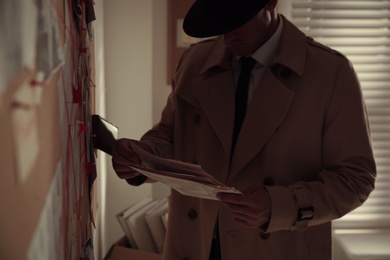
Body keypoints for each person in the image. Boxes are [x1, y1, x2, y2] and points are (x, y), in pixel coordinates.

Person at [112, 0, 376, 259]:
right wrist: (143, 157)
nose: (227, 35)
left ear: (271, 3)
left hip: (277, 246)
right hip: (194, 245)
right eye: (218, 22)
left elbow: (355, 178)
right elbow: (170, 135)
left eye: (236, 20)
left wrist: (278, 205)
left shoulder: (330, 72)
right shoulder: (194, 62)